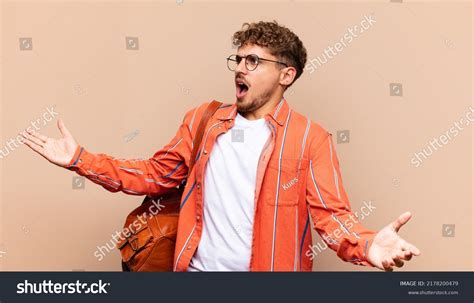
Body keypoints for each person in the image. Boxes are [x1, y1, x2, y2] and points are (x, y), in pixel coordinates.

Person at [20, 21, 420, 272]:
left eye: (254, 61)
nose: (241, 68)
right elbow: (155, 175)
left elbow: (332, 218)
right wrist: (79, 160)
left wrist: (367, 245)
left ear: (287, 74)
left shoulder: (310, 139)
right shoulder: (204, 121)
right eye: (239, 59)